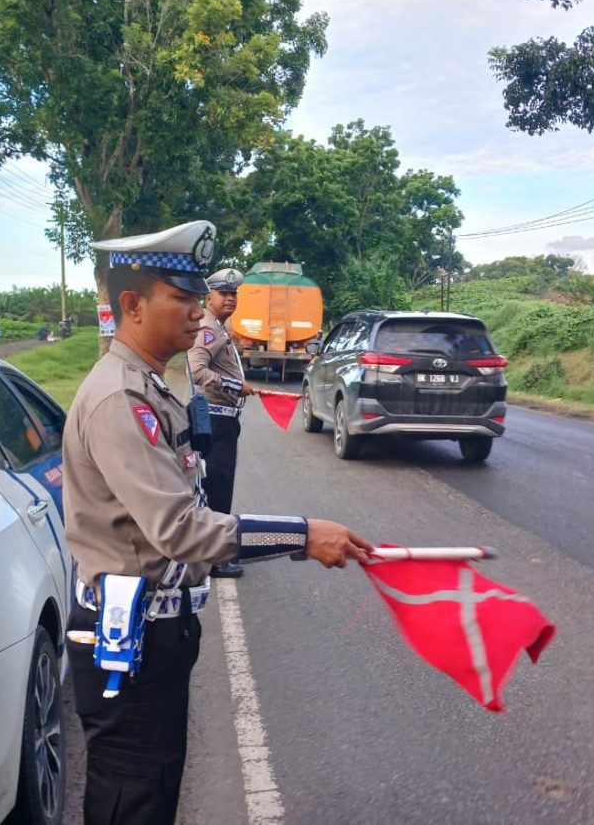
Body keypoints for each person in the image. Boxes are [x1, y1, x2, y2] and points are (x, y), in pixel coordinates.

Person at [62, 220, 373, 825]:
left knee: (151, 788)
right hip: (131, 639)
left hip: (154, 635)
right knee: (132, 797)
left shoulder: (147, 384)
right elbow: (181, 529)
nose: (198, 312)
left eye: (200, 298)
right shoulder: (118, 398)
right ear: (132, 304)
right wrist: (302, 535)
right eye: (182, 298)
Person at [187, 266, 251, 579]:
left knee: (218, 486)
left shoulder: (220, 328)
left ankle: (213, 553)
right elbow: (197, 370)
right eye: (223, 293)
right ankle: (214, 559)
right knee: (217, 487)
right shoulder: (208, 329)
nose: (229, 298)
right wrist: (236, 387)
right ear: (208, 296)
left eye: (233, 294)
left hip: (223, 420)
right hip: (215, 418)